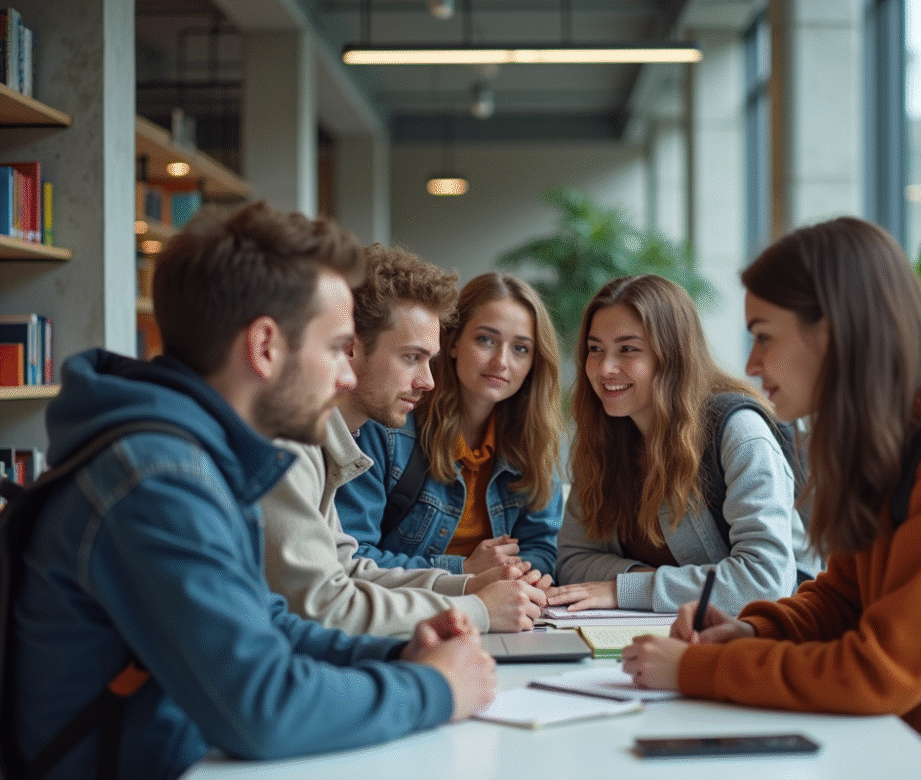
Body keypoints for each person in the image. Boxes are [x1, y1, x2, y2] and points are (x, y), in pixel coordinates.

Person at [9, 202, 496, 780]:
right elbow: (262, 710)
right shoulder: (158, 480)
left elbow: (267, 624)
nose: (347, 376)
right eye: (339, 348)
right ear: (265, 346)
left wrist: (395, 654)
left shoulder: (196, 455)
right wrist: (435, 688)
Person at [620, 217, 921, 780]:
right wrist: (750, 631)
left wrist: (697, 669)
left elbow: (880, 671)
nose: (750, 365)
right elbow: (842, 600)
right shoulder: (897, 441)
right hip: (909, 753)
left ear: (834, 330)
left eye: (764, 335)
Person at [261, 250, 548, 635]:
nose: (427, 382)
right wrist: (475, 607)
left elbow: (348, 570)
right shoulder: (291, 444)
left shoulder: (326, 439)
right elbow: (324, 605)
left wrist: (470, 587)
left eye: (521, 348)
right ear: (351, 348)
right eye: (412, 357)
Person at [548, 274, 814, 616]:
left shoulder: (738, 431)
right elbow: (572, 558)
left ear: (672, 356)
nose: (605, 368)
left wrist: (624, 589)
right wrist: (645, 581)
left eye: (628, 350)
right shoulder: (606, 435)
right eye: (595, 349)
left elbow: (765, 581)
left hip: (765, 637)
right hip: (661, 634)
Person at [335, 272, 563, 586]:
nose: (501, 362)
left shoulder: (532, 441)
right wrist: (464, 569)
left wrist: (518, 574)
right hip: (411, 612)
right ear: (452, 342)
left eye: (520, 349)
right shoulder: (387, 425)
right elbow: (352, 558)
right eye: (485, 339)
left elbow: (542, 548)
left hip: (503, 611)